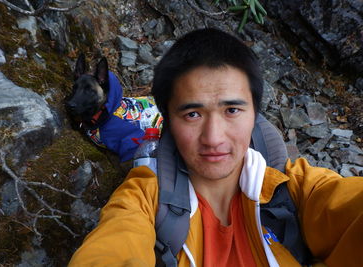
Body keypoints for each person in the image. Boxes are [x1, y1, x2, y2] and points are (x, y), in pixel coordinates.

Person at [68, 28, 363, 266]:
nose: (213, 138)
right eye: (192, 114)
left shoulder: (298, 189)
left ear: (255, 114)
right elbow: (117, 240)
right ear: (168, 121)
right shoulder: (145, 198)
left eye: (232, 111)